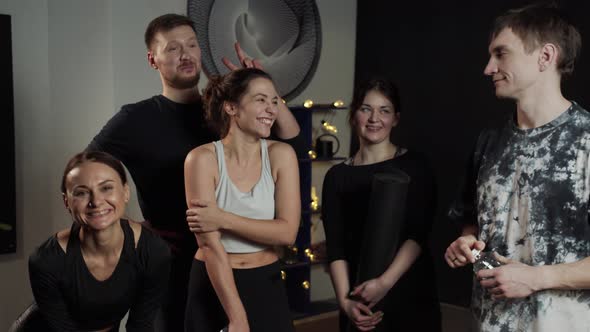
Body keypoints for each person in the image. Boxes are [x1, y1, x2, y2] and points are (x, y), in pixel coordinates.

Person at [87, 14, 300, 330]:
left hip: (233, 252)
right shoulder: (136, 118)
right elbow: (87, 171)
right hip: (172, 262)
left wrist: (259, 83)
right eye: (172, 48)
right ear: (153, 60)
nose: (185, 55)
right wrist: (124, 226)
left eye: (191, 45)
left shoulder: (226, 112)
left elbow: (289, 133)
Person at [445, 4, 590, 331]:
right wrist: (467, 248)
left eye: (501, 54)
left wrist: (536, 278)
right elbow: (476, 234)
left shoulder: (586, 141)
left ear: (545, 56)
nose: (488, 68)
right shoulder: (487, 144)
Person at [183, 68, 300, 332]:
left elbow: (287, 232)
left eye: (274, 101)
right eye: (261, 100)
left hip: (266, 283)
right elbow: (211, 246)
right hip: (213, 284)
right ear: (231, 108)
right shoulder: (201, 159)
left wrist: (222, 218)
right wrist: (237, 317)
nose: (271, 109)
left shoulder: (282, 155)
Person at [321, 79, 441, 331]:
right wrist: (345, 301)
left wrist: (385, 283)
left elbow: (417, 234)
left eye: (384, 110)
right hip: (358, 294)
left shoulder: (416, 165)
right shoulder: (336, 176)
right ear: (354, 114)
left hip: (407, 289)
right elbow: (336, 246)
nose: (374, 118)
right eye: (366, 109)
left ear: (395, 118)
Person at [28, 151, 171, 332]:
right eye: (81, 193)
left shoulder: (154, 252)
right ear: (67, 202)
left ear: (125, 192)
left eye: (106, 188)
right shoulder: (46, 260)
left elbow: (141, 325)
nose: (96, 201)